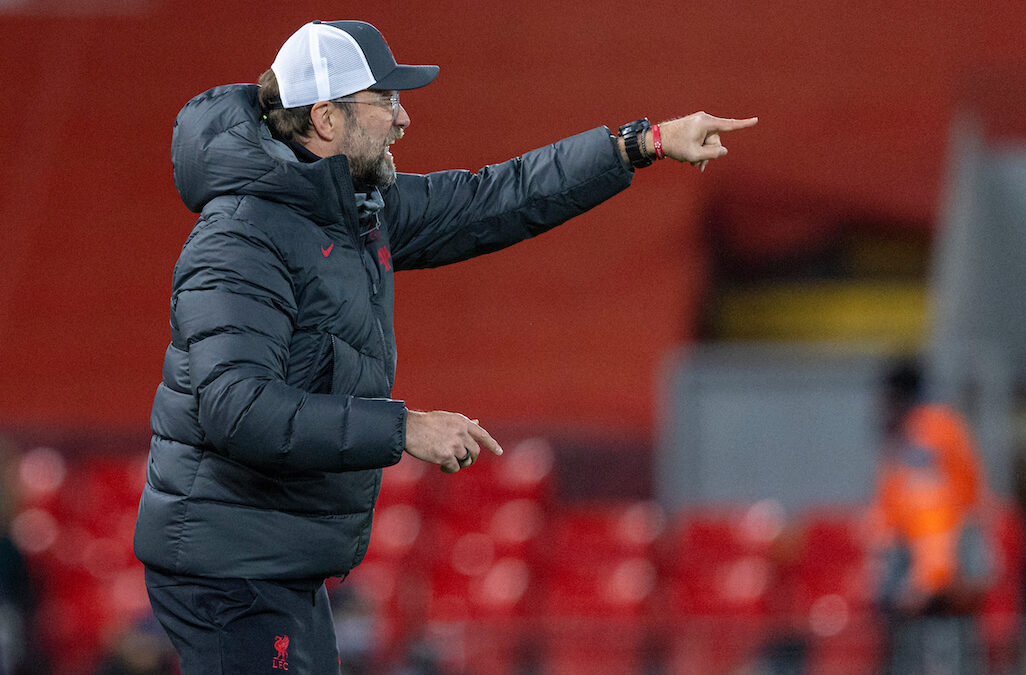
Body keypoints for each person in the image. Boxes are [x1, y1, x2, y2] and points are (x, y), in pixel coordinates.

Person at [133, 19, 757, 673]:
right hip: (226, 569)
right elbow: (237, 409)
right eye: (386, 101)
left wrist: (639, 145)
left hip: (267, 559)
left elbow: (495, 197)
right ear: (325, 118)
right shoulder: (241, 239)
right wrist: (402, 428)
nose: (403, 119)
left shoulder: (351, 209)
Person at [869, 361, 995, 675]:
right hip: (922, 569)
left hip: (943, 577)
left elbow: (935, 516)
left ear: (898, 397)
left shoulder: (928, 435)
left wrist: (928, 582)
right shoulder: (913, 435)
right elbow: (893, 513)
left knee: (941, 657)